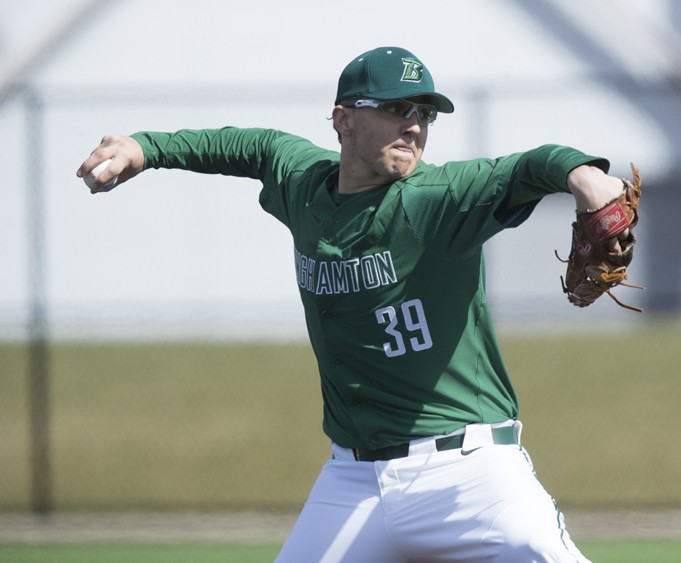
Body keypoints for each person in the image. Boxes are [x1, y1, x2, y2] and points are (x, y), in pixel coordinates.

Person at [78, 46, 629, 562]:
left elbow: (527, 166)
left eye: (424, 113)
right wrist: (144, 148)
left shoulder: (435, 200)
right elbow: (246, 145)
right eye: (394, 108)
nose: (413, 124)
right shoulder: (305, 183)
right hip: (353, 481)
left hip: (469, 476)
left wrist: (582, 173)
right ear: (342, 119)